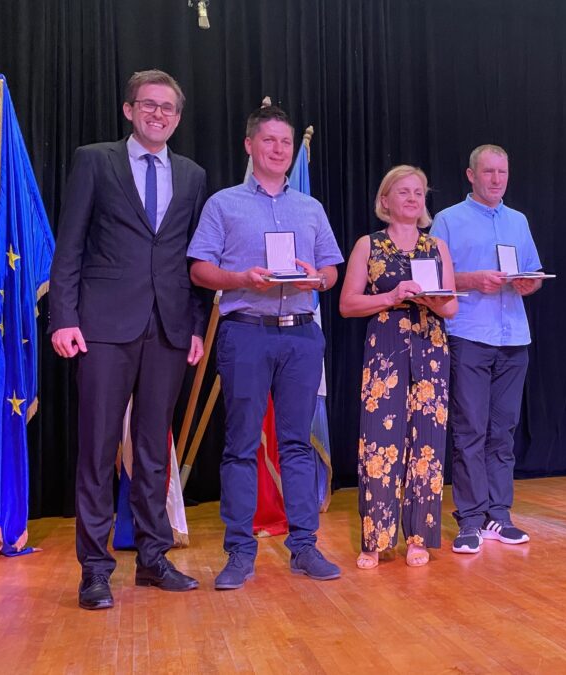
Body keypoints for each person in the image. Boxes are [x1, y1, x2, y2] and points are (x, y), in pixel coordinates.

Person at [49, 70, 209, 610]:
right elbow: (69, 245)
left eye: (168, 107)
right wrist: (63, 318)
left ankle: (153, 558)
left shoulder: (192, 175)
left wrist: (194, 324)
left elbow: (191, 258)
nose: (158, 114)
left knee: (153, 451)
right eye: (148, 104)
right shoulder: (95, 161)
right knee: (97, 450)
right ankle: (95, 570)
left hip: (168, 328)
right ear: (128, 110)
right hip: (102, 328)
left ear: (178, 118)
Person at [187, 105, 344, 588]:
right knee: (240, 446)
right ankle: (239, 552)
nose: (279, 149)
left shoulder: (310, 208)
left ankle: (304, 547)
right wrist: (241, 279)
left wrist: (317, 278)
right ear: (250, 145)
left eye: (285, 142)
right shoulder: (223, 204)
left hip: (301, 333)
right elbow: (199, 269)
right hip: (246, 332)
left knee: (296, 444)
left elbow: (331, 271)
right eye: (269, 140)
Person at [340, 165, 458, 569]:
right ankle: (375, 540)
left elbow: (452, 307)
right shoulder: (368, 245)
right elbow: (347, 304)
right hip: (386, 347)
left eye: (418, 192)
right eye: (403, 192)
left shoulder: (437, 246)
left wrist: (433, 300)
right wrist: (391, 297)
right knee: (379, 441)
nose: (412, 198)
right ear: (385, 200)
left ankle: (419, 537)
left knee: (427, 443)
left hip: (431, 345)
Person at [430, 145, 543, 554]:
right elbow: (433, 277)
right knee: (470, 431)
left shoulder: (518, 220)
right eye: (488, 172)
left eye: (502, 172)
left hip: (514, 338)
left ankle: (500, 515)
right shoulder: (448, 219)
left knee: (502, 433)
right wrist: (472, 280)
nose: (497, 179)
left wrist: (530, 283)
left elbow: (532, 272)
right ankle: (470, 519)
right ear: (471, 175)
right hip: (469, 335)